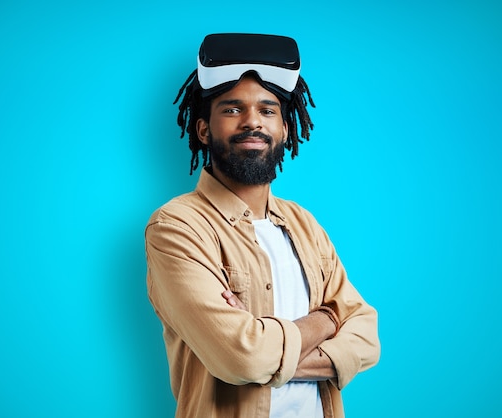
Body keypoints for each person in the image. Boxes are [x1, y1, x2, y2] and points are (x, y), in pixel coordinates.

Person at [145, 33, 380, 418]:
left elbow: (367, 335)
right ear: (203, 129)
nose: (252, 121)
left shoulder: (304, 224)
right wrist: (329, 319)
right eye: (232, 109)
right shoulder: (177, 227)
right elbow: (243, 358)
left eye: (268, 110)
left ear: (285, 129)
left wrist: (269, 348)